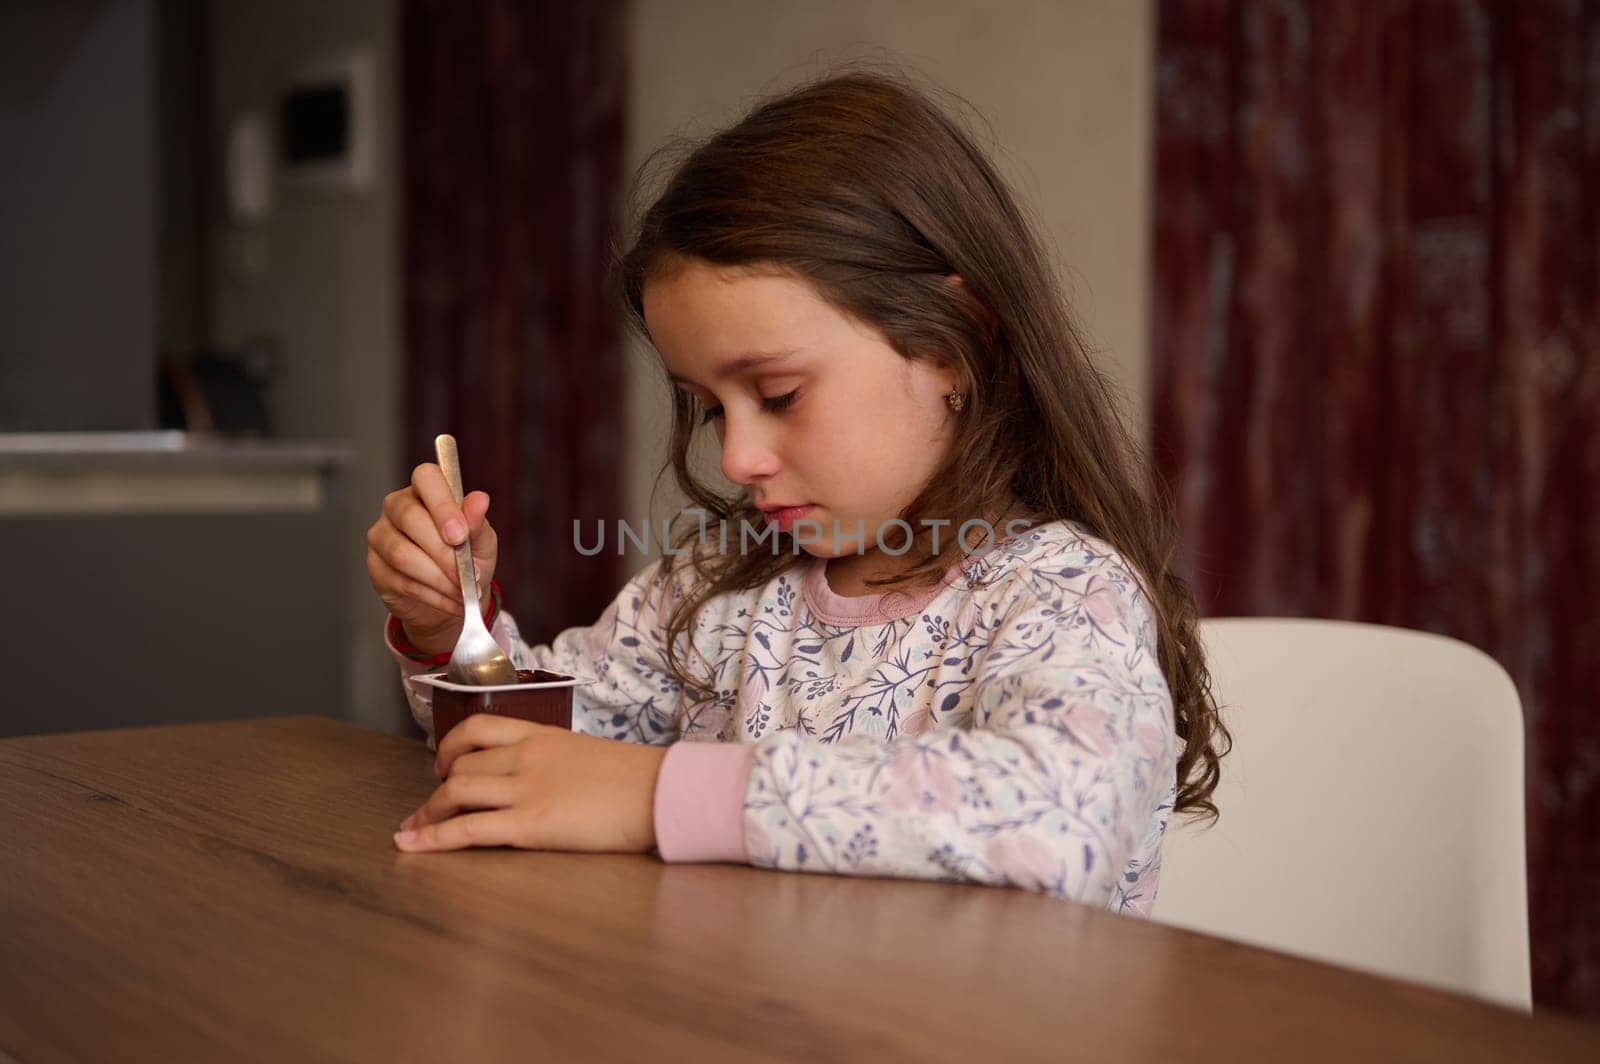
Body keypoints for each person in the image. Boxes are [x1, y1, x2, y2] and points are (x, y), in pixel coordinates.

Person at [366, 70, 1228, 915]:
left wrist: (656, 794)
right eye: (710, 409)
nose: (737, 456)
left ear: (953, 343)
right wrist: (451, 628)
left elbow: (1055, 821)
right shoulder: (719, 585)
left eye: (779, 396)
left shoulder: (1062, 591)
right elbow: (538, 764)